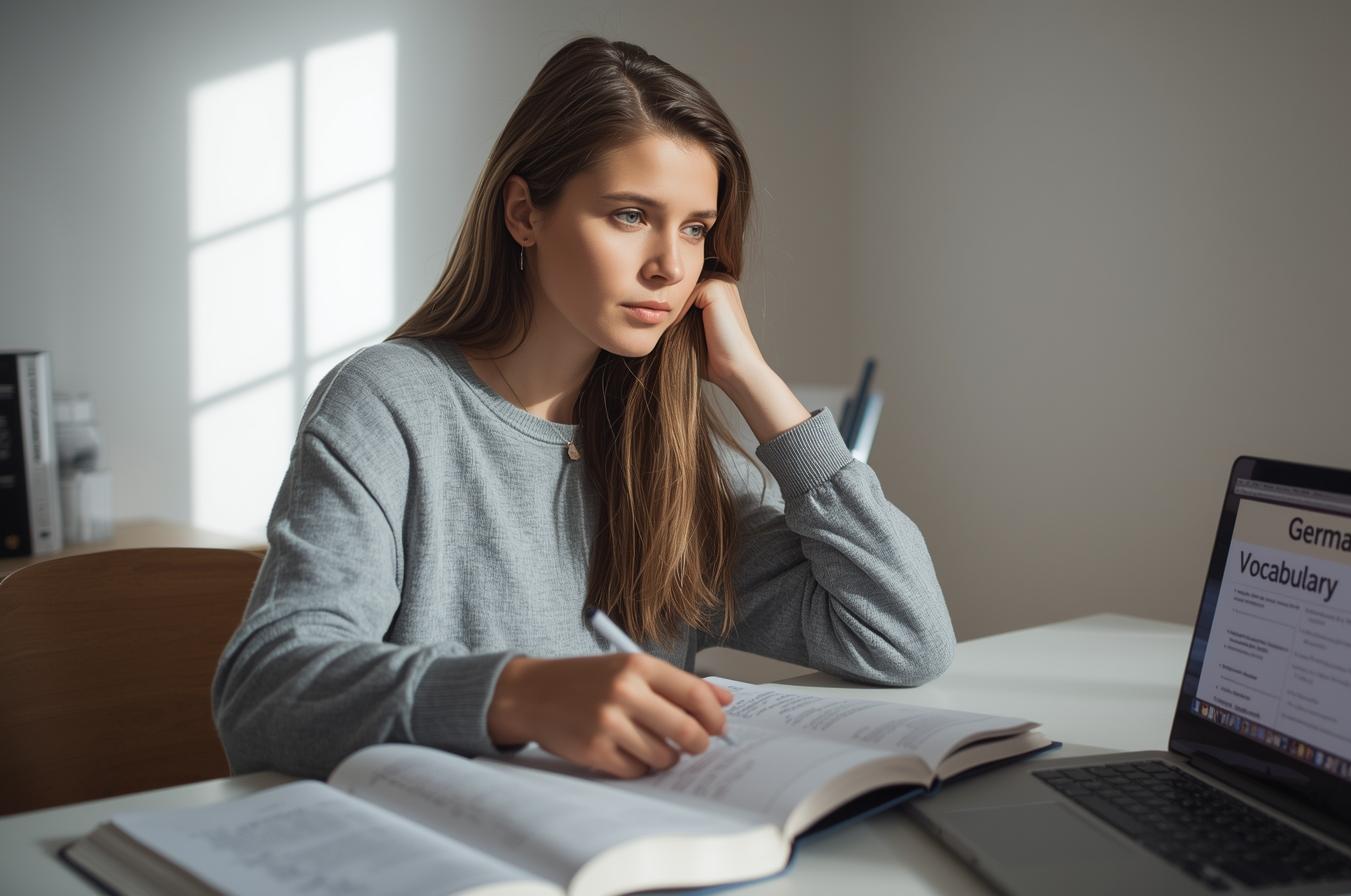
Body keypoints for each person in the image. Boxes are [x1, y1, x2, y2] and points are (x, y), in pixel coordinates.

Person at [211, 36, 955, 782]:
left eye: (696, 228)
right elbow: (265, 695)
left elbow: (904, 636)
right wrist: (519, 694)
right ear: (524, 214)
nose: (669, 265)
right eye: (631, 215)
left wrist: (756, 381)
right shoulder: (389, 404)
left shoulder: (669, 456)